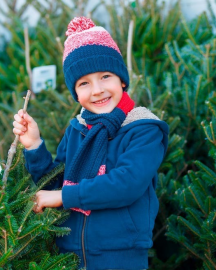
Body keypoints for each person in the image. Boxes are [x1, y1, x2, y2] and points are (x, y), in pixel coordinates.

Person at [13, 16, 169, 270]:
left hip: (120, 254)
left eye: (105, 76)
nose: (96, 90)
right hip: (71, 254)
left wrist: (62, 196)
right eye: (84, 83)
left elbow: (126, 184)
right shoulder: (78, 129)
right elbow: (57, 183)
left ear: (122, 80)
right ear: (76, 93)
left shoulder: (143, 129)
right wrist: (34, 145)